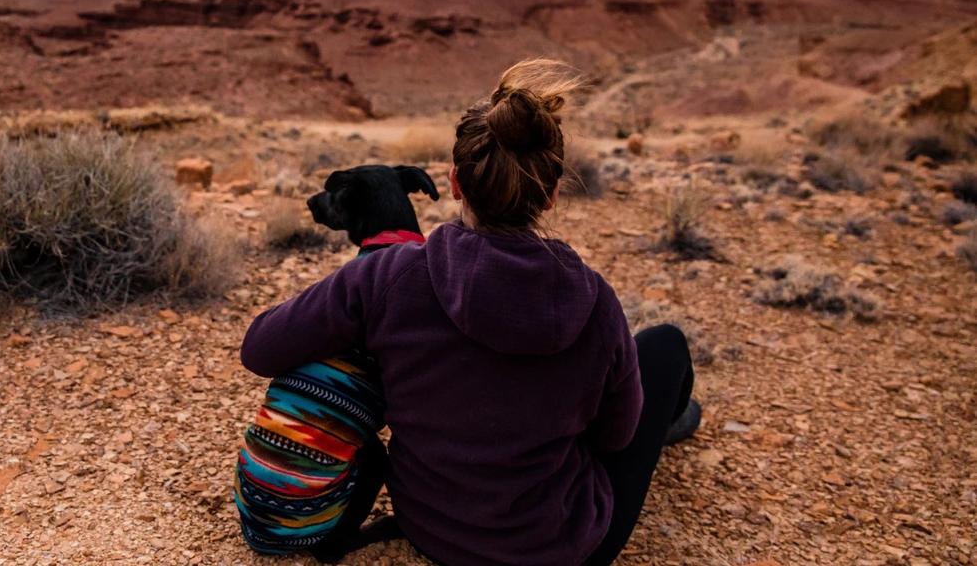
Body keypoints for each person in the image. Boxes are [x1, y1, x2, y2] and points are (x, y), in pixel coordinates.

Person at [240, 58, 701, 565]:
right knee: (665, 346)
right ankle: (678, 419)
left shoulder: (386, 276)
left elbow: (260, 348)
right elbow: (616, 436)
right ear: (549, 196)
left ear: (455, 182)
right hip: (562, 548)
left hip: (432, 531)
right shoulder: (596, 304)